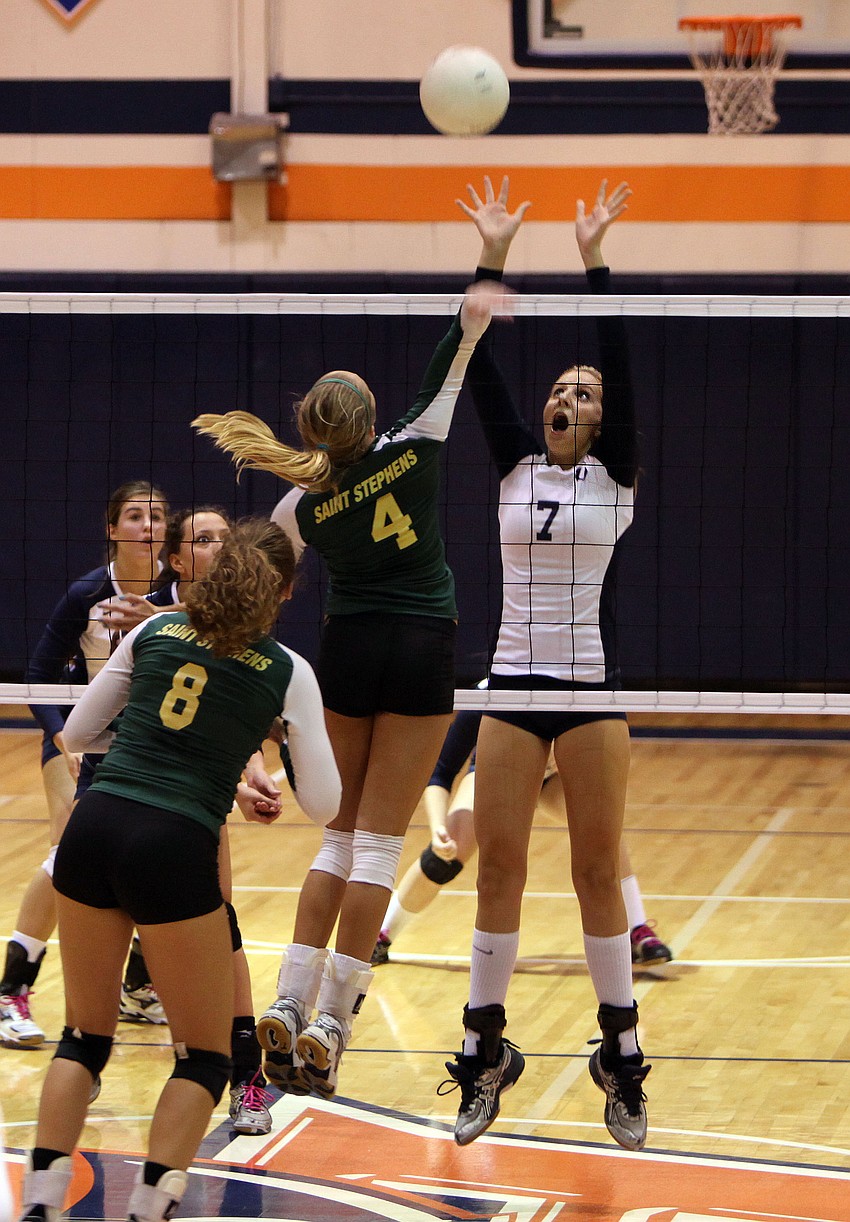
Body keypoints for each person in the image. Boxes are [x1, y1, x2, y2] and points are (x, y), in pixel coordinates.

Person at [192, 278, 508, 1099]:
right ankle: (335, 1017)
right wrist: (490, 260)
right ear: (371, 424)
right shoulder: (416, 449)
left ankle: (290, 1004)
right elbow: (458, 348)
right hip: (422, 650)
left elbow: (264, 569)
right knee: (377, 845)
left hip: (349, 650)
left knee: (338, 839)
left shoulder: (304, 501)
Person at [17, 519, 341, 1222]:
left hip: (94, 827)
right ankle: (148, 1209)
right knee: (203, 1057)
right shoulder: (288, 669)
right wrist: (269, 739)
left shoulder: (154, 634)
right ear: (280, 593)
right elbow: (324, 804)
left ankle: (39, 1206)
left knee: (83, 1038)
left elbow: (75, 734)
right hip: (172, 845)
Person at [440, 176, 653, 1152]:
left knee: (599, 871)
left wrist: (592, 257)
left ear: (605, 419)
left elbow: (619, 355)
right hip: (514, 686)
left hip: (591, 689)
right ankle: (486, 1052)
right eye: (563, 389)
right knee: (500, 871)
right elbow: (473, 358)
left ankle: (620, 1051)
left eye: (587, 393)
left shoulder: (618, 475)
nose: (573, 396)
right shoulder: (514, 463)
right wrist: (491, 255)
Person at [1, 481, 169, 1050]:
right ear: (111, 529)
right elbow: (37, 679)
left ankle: (139, 989)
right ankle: (11, 994)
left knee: (164, 857)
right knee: (66, 852)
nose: (149, 526)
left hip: (152, 746)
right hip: (84, 738)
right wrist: (63, 740)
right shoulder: (87, 594)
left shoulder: (185, 592)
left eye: (159, 517)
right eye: (135, 516)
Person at [147, 505, 276, 1136]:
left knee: (221, 926)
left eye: (227, 539)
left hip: (194, 802)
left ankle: (247, 1077)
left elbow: (228, 720)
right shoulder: (150, 623)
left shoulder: (246, 628)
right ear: (175, 559)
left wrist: (248, 779)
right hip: (120, 792)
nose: (220, 549)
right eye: (203, 540)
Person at [373, 708, 673, 971]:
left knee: (603, 829)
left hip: (555, 779)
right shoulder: (492, 693)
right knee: (445, 856)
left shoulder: (580, 688)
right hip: (500, 774)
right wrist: (438, 828)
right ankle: (383, 933)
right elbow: (440, 773)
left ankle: (638, 930)